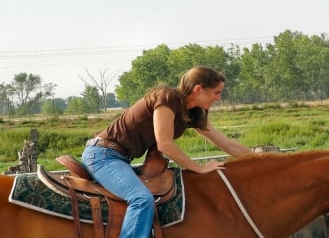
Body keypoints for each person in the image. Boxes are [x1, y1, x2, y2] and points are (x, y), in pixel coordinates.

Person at [81, 66, 253, 238]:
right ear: (198, 89)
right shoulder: (167, 97)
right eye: (216, 92)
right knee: (141, 199)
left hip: (119, 159)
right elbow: (165, 144)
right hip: (102, 155)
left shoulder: (193, 113)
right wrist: (199, 168)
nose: (219, 98)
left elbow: (228, 144)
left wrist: (265, 158)